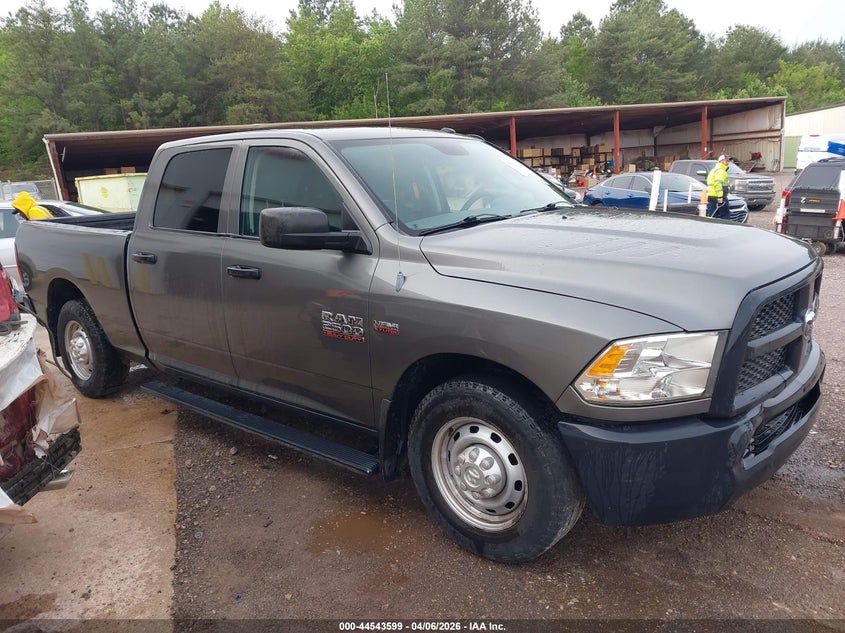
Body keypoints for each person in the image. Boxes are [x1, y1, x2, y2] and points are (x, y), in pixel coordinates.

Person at [705, 154, 731, 219]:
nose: (728, 162)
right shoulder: (721, 171)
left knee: (712, 216)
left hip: (711, 196)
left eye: (729, 161)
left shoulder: (714, 170)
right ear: (721, 161)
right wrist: (720, 197)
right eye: (726, 160)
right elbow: (718, 184)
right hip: (719, 197)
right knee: (725, 216)